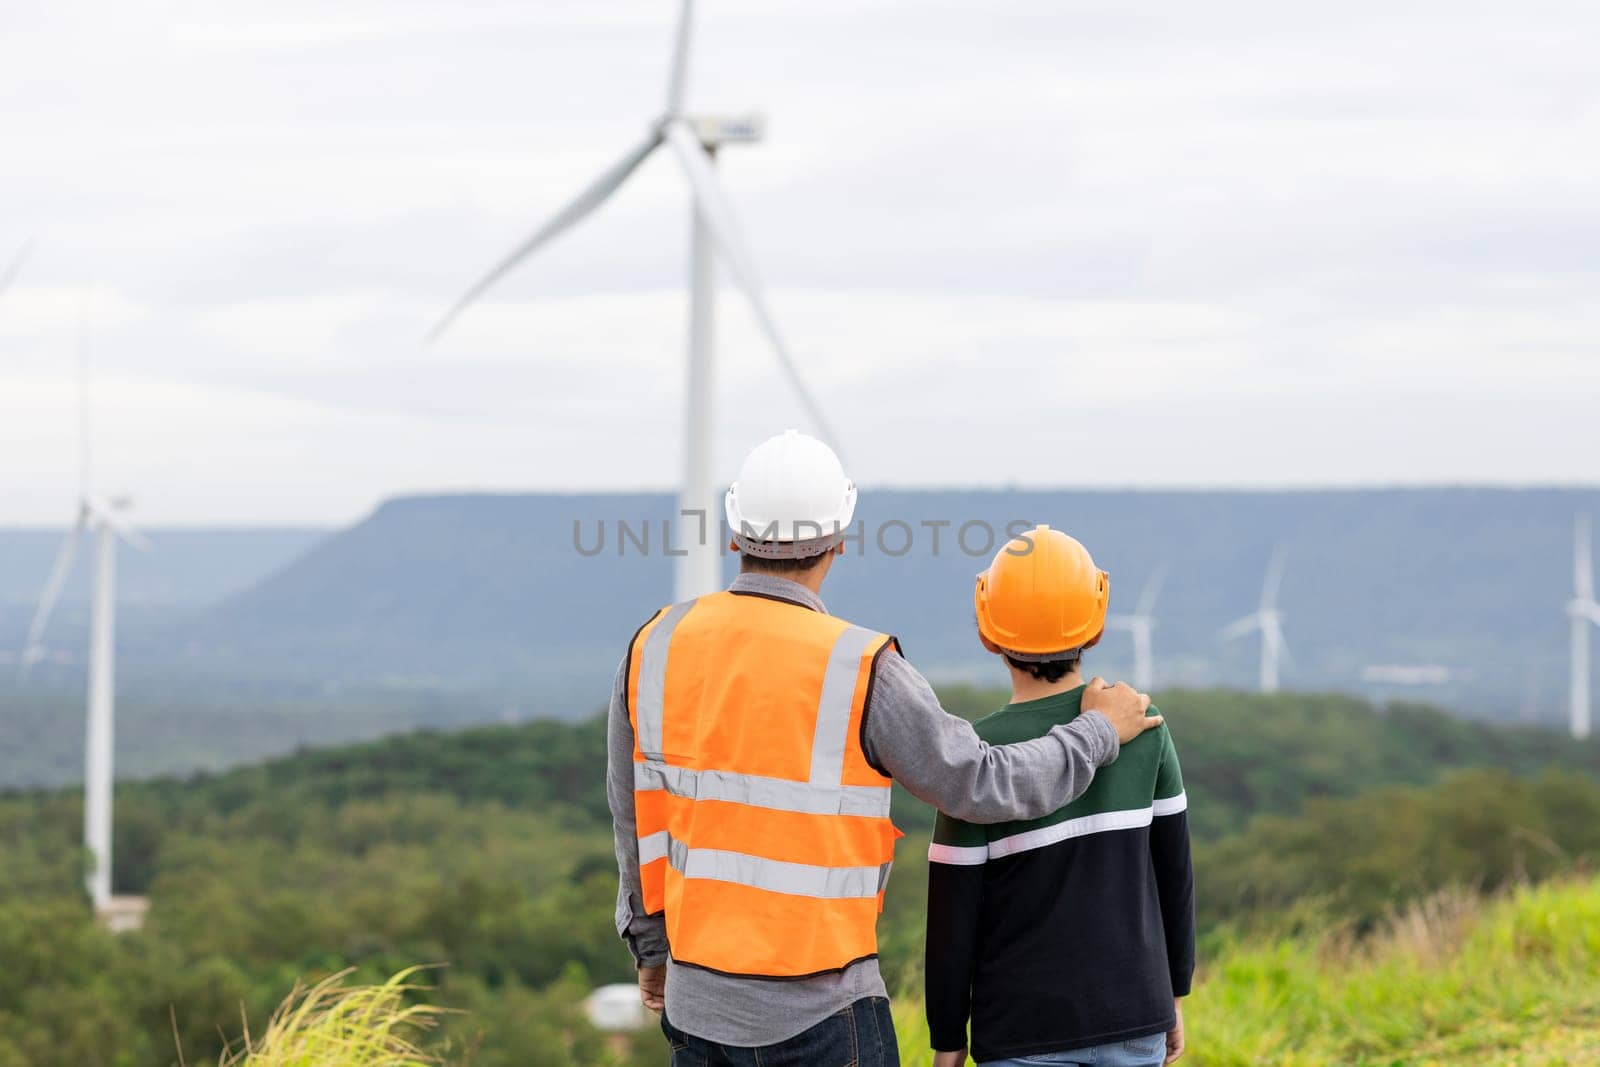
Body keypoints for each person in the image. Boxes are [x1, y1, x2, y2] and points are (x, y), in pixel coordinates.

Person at [606, 430, 1163, 1067]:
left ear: (734, 535)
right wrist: (1096, 733)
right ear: (838, 544)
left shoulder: (654, 646)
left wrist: (650, 950)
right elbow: (980, 784)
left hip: (698, 1008)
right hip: (823, 1015)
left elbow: (633, 817)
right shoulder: (859, 667)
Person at [924, 526, 1195, 1067]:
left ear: (988, 632)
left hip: (1023, 1028)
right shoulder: (1145, 726)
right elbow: (1174, 873)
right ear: (1094, 627)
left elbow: (952, 916)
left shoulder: (976, 757)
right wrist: (1174, 990)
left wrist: (949, 1039)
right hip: (1134, 1012)